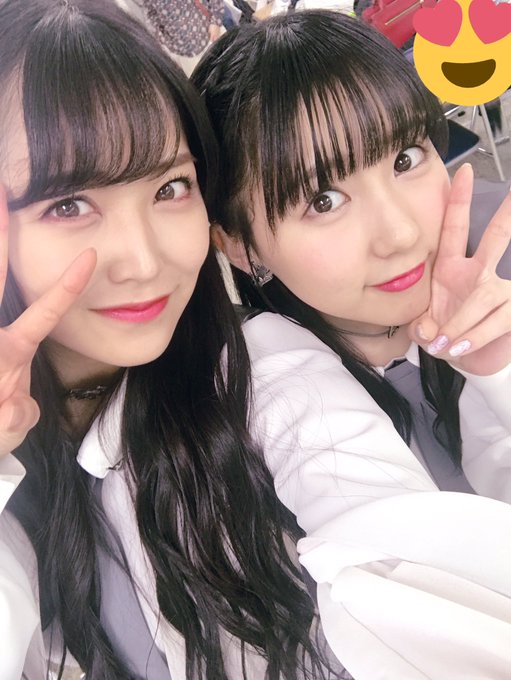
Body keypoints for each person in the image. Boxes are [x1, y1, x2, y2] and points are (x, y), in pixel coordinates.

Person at [0, 1, 338, 678]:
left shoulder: (261, 374)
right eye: (67, 204)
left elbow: (400, 555)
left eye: (170, 187)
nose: (145, 260)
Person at [193, 11, 511, 678]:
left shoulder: (497, 259)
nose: (399, 233)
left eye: (405, 159)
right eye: (322, 200)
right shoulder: (256, 420)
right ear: (240, 245)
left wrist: (498, 373)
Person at [139, 0, 224, 76]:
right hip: (186, 54)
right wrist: (171, 48)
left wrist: (216, 20)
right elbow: (152, 21)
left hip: (210, 33)